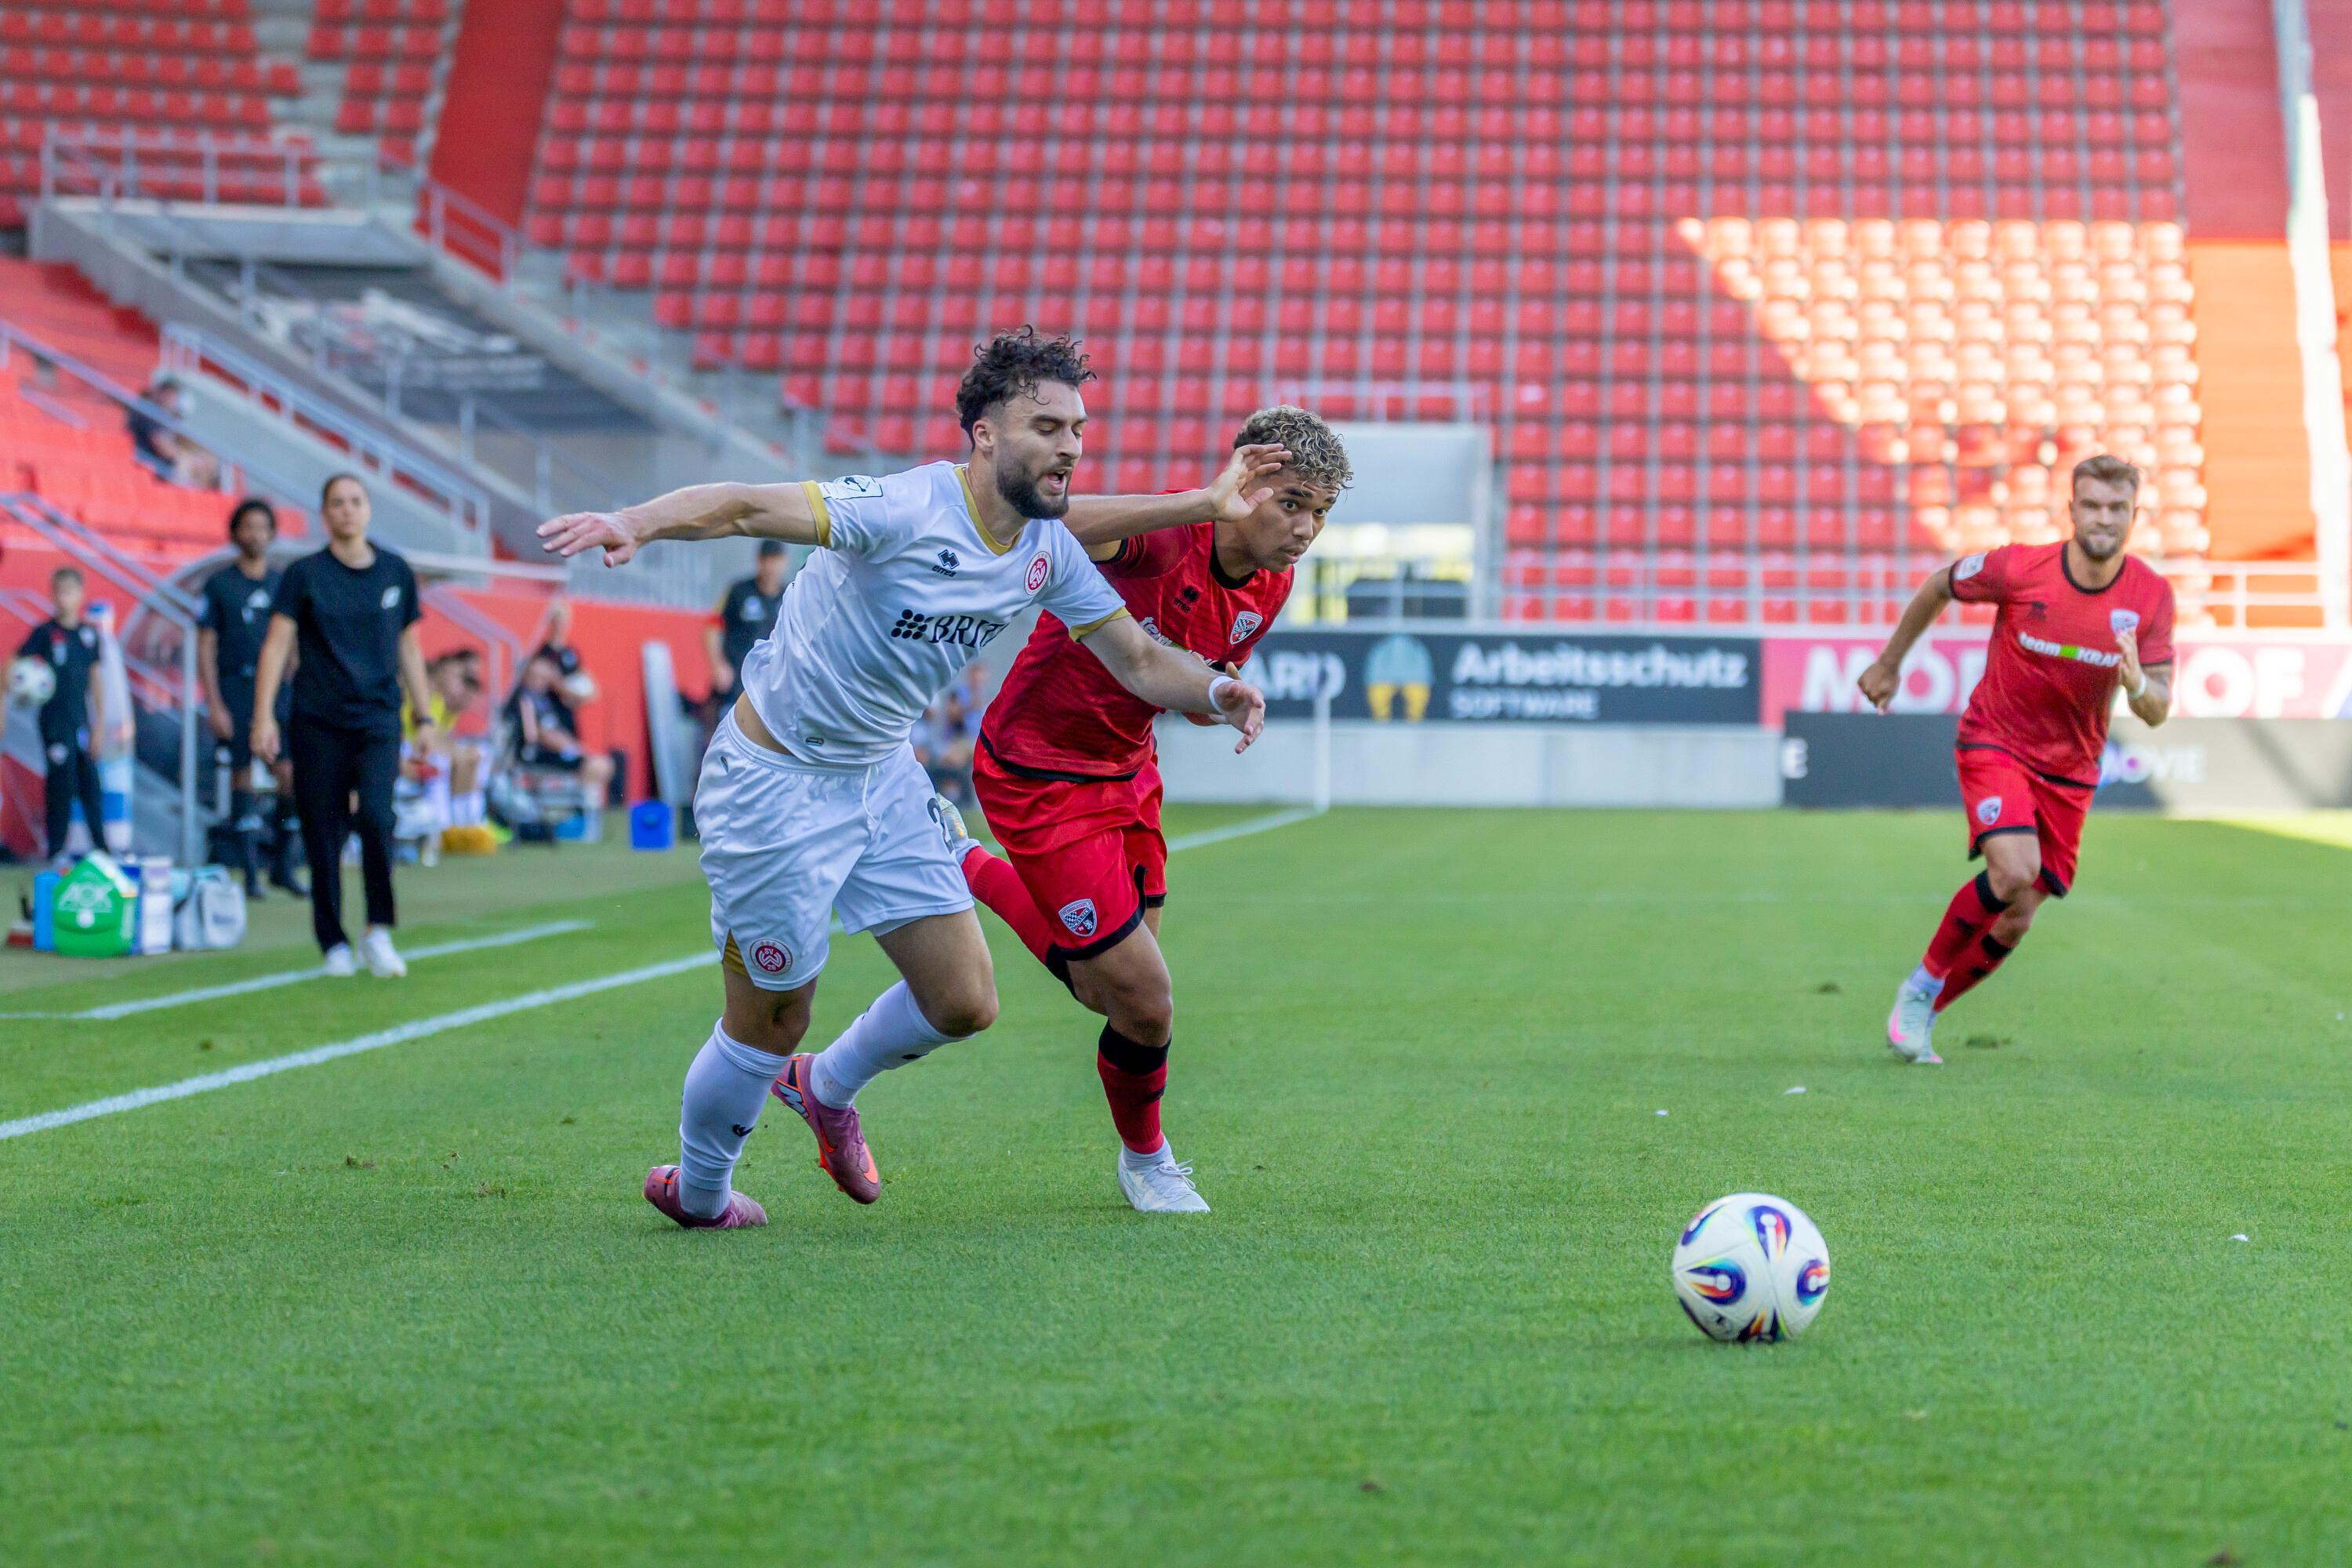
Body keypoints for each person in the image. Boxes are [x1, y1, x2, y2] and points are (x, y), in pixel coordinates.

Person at [537, 325, 1288, 1229]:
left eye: (1079, 428)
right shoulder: (901, 506)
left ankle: (825, 1090)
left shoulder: (1045, 548)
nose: (1071, 446)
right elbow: (741, 505)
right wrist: (635, 521)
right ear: (983, 435)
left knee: (965, 1000)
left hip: (879, 774)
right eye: (1047, 425)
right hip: (773, 782)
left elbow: (1134, 655)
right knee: (772, 1017)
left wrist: (1215, 688)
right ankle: (700, 1192)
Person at [952, 405, 1350, 1211]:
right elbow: (1051, 523)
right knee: (1146, 997)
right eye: (1292, 501)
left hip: (1128, 769)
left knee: (1116, 994)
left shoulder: (1273, 580)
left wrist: (1220, 694)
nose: (1306, 527)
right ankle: (1147, 1161)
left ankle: (960, 862)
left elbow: (1194, 673)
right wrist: (1200, 503)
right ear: (1245, 483)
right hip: (1039, 770)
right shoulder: (1167, 531)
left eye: (1320, 510)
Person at [1864, 455, 2176, 1064]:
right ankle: (1920, 984)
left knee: (2016, 920)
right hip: (1997, 739)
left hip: (2072, 770)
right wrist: (1890, 663)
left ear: (2134, 515)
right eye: (2092, 505)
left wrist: (2137, 685)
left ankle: (1925, 1012)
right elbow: (1939, 585)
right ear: (2072, 509)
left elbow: (2159, 707)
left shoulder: (2151, 597)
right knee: (2012, 872)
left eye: (2117, 508)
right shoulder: (2020, 567)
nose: (2103, 518)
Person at [252, 473, 437, 979]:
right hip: (316, 721)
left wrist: (424, 716)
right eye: (337, 503)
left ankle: (378, 930)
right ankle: (331, 940)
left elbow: (410, 647)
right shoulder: (305, 575)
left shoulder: (396, 572)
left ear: (368, 510)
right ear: (324, 513)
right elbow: (276, 645)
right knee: (323, 832)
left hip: (378, 719)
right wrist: (264, 714)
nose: (347, 510)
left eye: (355, 501)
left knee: (378, 818)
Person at [196, 497, 305, 899]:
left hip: (280, 690)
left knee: (289, 775)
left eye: (262, 527)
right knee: (241, 774)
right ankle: (249, 873)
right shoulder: (220, 584)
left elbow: (293, 639)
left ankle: (283, 866)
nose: (255, 534)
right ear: (235, 533)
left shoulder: (282, 583)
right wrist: (215, 703)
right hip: (236, 687)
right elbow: (206, 645)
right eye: (247, 527)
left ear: (272, 533)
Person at [15, 567, 106, 866]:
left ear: (81, 595)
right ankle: (55, 850)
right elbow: (16, 663)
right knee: (61, 784)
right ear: (52, 594)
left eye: (70, 591)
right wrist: (17, 687)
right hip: (54, 723)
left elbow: (96, 681)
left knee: (91, 783)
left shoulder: (89, 636)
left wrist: (100, 725)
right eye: (59, 592)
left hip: (82, 722)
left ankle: (102, 849)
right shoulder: (44, 633)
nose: (64, 598)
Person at [503, 648, 615, 816]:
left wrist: (558, 683)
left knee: (603, 765)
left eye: (544, 677)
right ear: (525, 674)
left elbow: (590, 696)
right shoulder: (523, 699)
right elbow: (541, 735)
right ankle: (575, 815)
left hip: (562, 750)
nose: (540, 681)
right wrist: (579, 751)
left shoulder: (551, 698)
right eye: (536, 676)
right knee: (596, 765)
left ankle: (577, 813)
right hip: (537, 754)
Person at [705, 539, 788, 706]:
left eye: (776, 561)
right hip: (736, 687)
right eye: (767, 560)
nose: (771, 567)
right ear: (759, 561)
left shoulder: (789, 597)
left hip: (772, 691)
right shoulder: (738, 591)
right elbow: (712, 628)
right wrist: (719, 665)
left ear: (784, 562)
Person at [127, 376, 220, 489]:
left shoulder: (164, 416)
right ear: (160, 393)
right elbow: (163, 447)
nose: (172, 399)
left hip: (159, 461)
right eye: (169, 394)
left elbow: (175, 443)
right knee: (183, 462)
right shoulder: (148, 412)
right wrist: (188, 458)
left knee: (207, 459)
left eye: (174, 394)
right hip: (147, 461)